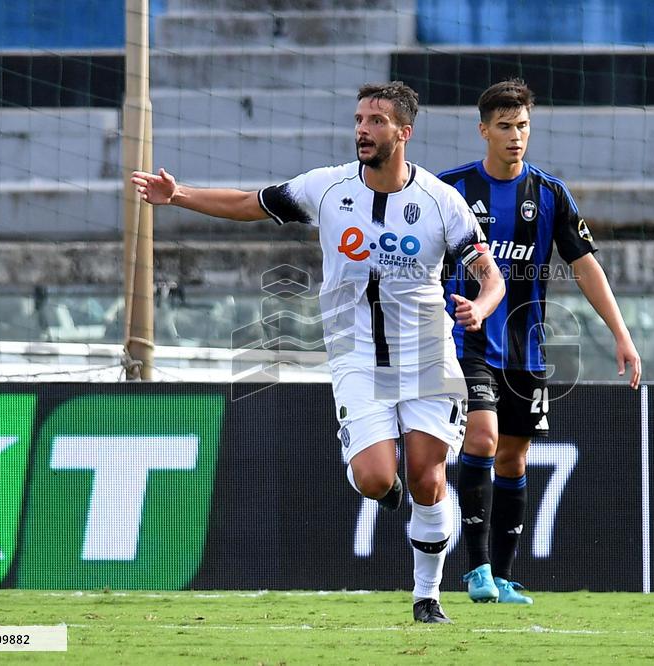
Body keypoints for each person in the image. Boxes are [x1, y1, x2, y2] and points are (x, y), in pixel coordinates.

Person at [133, 82, 504, 624]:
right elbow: (249, 203)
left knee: (429, 478)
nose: (362, 129)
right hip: (355, 358)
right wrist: (179, 194)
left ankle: (428, 597)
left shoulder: (441, 203)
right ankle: (383, 481)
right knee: (378, 479)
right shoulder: (325, 189)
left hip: (427, 357)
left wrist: (484, 306)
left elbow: (488, 274)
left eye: (376, 120)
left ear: (404, 132)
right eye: (358, 119)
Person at [440, 79, 641, 604]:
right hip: (468, 344)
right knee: (481, 440)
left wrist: (621, 334)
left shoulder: (549, 194)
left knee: (514, 458)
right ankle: (476, 570)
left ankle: (502, 577)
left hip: (526, 349)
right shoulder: (450, 190)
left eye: (523, 126)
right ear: (483, 130)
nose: (515, 136)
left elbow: (586, 268)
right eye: (504, 126)